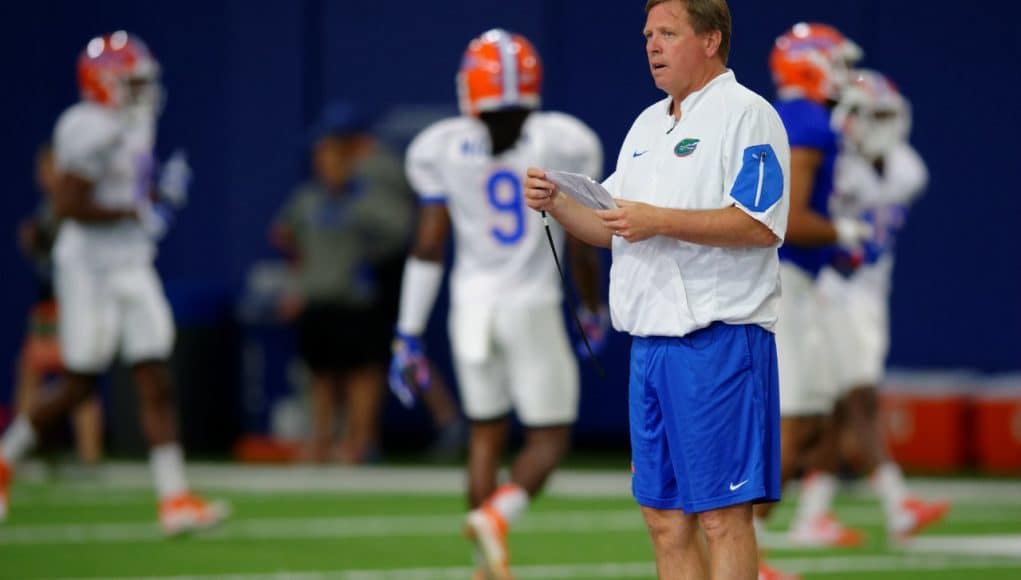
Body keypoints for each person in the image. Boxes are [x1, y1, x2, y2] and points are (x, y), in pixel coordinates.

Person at [525, 1, 789, 578]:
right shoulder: (647, 124)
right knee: (663, 517)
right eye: (648, 34)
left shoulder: (749, 114)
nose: (652, 45)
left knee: (723, 515)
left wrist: (659, 219)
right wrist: (560, 203)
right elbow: (611, 224)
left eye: (668, 33)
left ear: (712, 39)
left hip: (718, 341)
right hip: (650, 345)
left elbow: (761, 222)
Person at [388, 29, 605, 579]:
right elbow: (580, 243)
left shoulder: (440, 146)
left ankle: (482, 565)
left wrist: (408, 331)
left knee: (485, 433)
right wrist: (590, 306)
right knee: (550, 438)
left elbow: (429, 245)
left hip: (470, 307)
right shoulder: (563, 140)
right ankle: (496, 517)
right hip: (529, 305)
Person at [0, 31, 225, 535]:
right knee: (81, 381)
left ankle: (174, 499)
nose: (143, 90)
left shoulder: (136, 118)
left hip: (132, 262)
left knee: (155, 375)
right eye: (133, 81)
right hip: (89, 268)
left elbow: (130, 189)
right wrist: (136, 209)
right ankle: (4, 460)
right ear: (103, 83)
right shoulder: (86, 128)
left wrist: (150, 201)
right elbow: (68, 205)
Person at [805, 68, 949, 542]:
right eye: (872, 114)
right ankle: (897, 502)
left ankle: (812, 516)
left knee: (842, 409)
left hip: (870, 292)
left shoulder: (907, 169)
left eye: (886, 114)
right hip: (829, 290)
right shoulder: (834, 164)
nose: (880, 124)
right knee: (858, 396)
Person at [754, 22, 870, 551]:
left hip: (790, 278)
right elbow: (792, 219)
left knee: (817, 411)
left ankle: (762, 540)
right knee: (794, 419)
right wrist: (845, 229)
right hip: (785, 279)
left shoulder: (786, 116)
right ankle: (744, 551)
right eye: (836, 61)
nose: (845, 73)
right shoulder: (808, 121)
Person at [270, 102, 415, 464]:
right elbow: (283, 233)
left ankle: (359, 442)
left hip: (356, 297)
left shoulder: (370, 196)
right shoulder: (308, 199)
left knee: (362, 374)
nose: (326, 164)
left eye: (333, 156)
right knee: (320, 375)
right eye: (321, 157)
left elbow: (398, 235)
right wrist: (301, 280)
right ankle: (319, 442)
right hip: (319, 296)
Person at [14, 143, 103, 467]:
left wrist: (38, 239)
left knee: (77, 380)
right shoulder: (48, 207)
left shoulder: (69, 205)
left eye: (48, 168)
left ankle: (88, 453)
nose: (42, 175)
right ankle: (23, 448)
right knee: (36, 372)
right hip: (51, 301)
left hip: (69, 301)